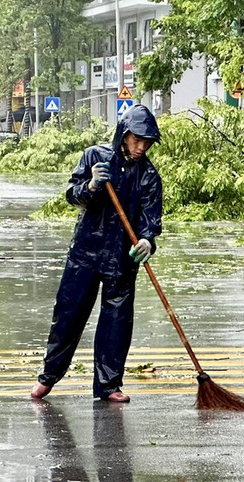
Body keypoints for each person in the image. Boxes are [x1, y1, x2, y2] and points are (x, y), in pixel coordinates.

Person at [30, 105, 163, 403]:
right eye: (136, 139)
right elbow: (72, 195)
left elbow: (151, 220)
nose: (141, 147)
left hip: (122, 260)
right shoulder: (95, 157)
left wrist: (146, 242)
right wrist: (90, 185)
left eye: (147, 142)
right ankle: (48, 377)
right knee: (68, 316)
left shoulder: (149, 177)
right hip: (85, 254)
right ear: (124, 134)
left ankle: (108, 385)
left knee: (116, 323)